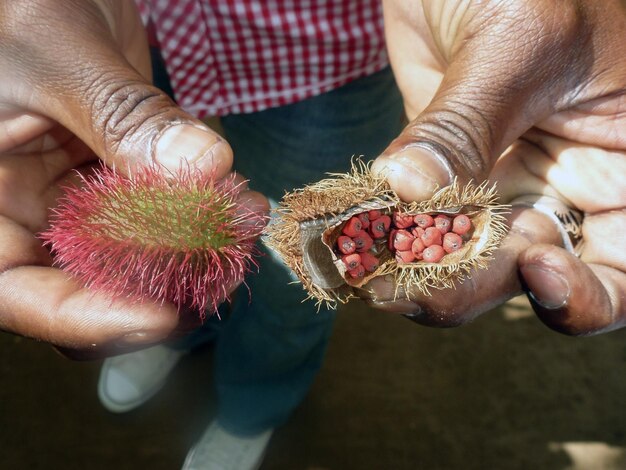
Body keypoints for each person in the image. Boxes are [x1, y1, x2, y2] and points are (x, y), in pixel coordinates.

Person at [1, 0, 625, 468]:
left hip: (319, 66)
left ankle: (251, 413)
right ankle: (180, 342)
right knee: (189, 272)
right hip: (138, 31)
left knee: (282, 291)